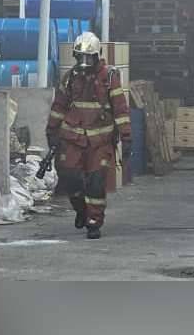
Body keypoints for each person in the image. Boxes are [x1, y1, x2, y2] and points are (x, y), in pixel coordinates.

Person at [46, 31, 131, 239]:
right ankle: (81, 211)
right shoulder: (70, 78)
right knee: (70, 178)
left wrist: (127, 137)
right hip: (72, 139)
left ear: (96, 56)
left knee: (95, 182)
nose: (84, 62)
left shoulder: (109, 77)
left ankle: (94, 221)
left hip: (99, 142)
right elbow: (59, 107)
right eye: (80, 57)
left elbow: (120, 109)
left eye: (88, 58)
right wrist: (52, 132)